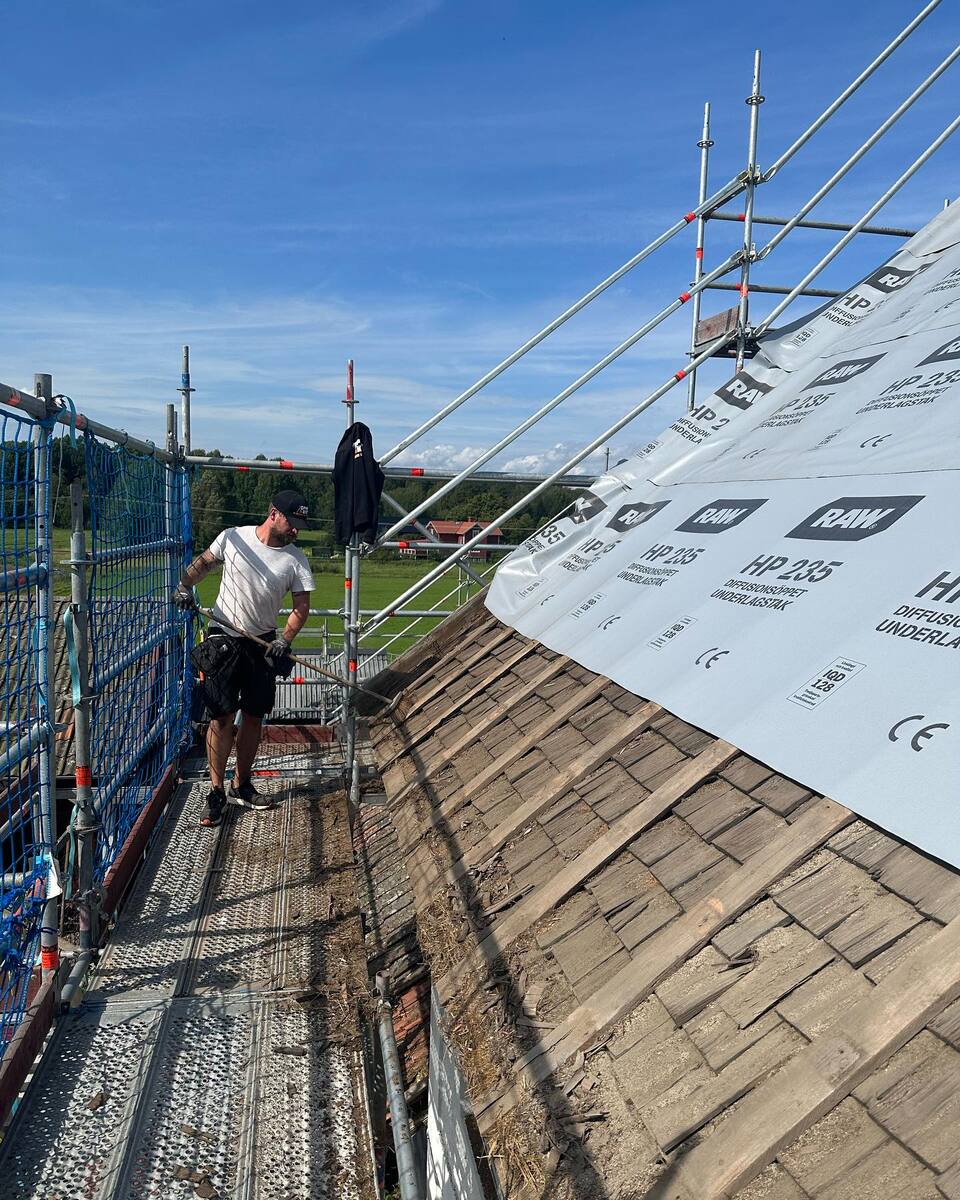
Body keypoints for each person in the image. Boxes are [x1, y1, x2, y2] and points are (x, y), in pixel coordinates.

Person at [173, 489, 315, 827]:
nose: (296, 530)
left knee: (253, 716)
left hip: (262, 643)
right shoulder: (233, 538)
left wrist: (284, 640)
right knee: (221, 718)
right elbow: (203, 563)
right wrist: (183, 586)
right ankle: (216, 792)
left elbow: (301, 607)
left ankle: (242, 785)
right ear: (274, 513)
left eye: (300, 525)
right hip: (223, 638)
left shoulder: (295, 560)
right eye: (292, 522)